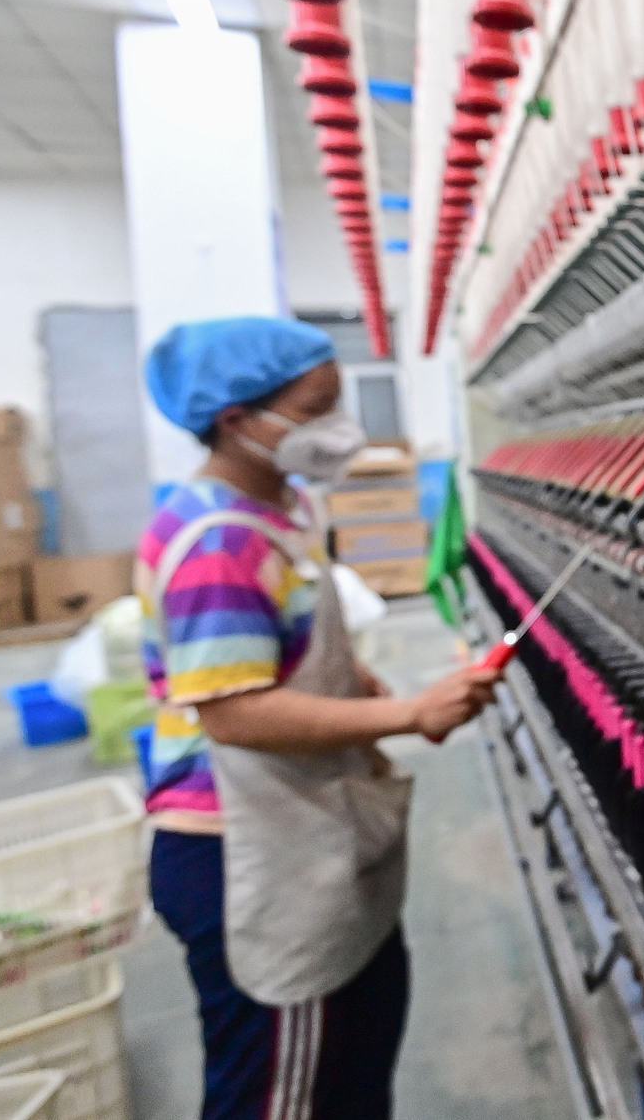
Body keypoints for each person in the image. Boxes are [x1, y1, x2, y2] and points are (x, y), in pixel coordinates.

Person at [137, 316, 495, 1120]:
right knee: (281, 1096)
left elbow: (284, 650)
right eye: (320, 405)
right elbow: (233, 711)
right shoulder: (218, 539)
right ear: (237, 420)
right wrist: (406, 713)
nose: (343, 423)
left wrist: (369, 689)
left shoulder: (279, 506)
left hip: (302, 823)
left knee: (350, 1071)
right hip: (247, 849)